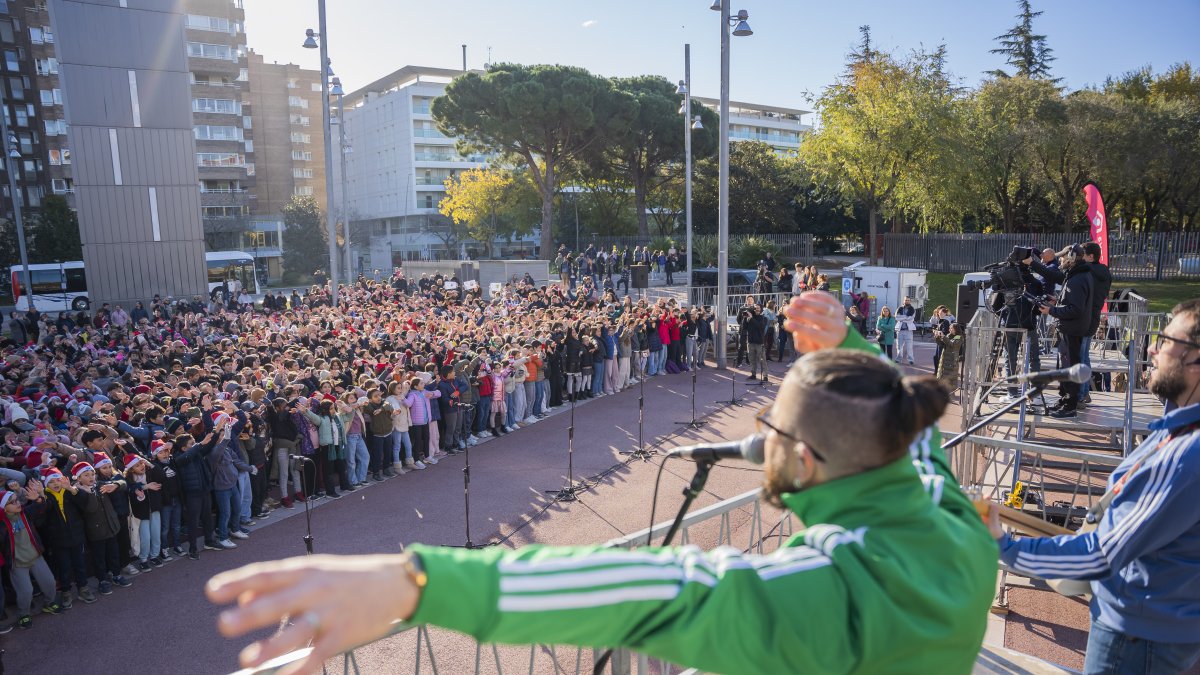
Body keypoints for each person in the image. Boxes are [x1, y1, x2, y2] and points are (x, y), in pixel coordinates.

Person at [207, 291, 997, 675]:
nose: (761, 444)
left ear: (810, 461)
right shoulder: (938, 502)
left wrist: (416, 583)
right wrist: (849, 343)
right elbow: (891, 413)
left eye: (775, 436)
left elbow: (656, 587)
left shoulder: (830, 588)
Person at [989, 299, 1200, 675]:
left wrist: (1004, 547)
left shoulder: (1188, 454)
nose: (1150, 348)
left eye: (1164, 341)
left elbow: (1100, 554)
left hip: (1137, 640)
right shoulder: (1177, 430)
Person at [1028, 244, 1095, 418]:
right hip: (1069, 329)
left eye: (1063, 258)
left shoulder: (1078, 279)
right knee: (1065, 367)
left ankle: (1070, 406)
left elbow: (1075, 309)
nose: (1060, 261)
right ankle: (1065, 399)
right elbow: (1072, 302)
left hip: (1073, 330)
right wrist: (1057, 301)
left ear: (1072, 258)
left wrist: (1051, 310)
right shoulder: (1075, 275)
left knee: (1071, 369)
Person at [895, 297, 917, 366]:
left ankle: (911, 360)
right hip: (900, 330)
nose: (907, 301)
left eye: (908, 300)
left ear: (910, 301)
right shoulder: (899, 308)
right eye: (905, 300)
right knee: (899, 346)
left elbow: (911, 319)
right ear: (903, 301)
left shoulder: (912, 309)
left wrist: (902, 318)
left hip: (908, 331)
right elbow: (896, 317)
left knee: (909, 346)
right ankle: (898, 359)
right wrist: (905, 317)